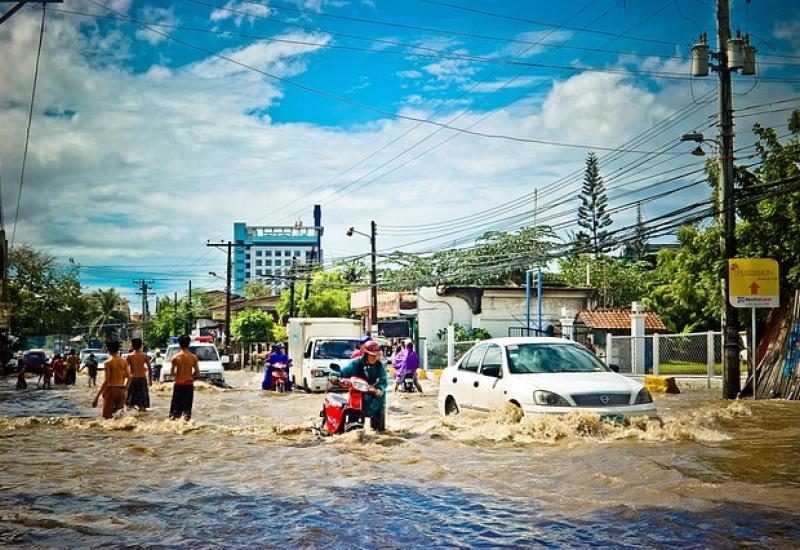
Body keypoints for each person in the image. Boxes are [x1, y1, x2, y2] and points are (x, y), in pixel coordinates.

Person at [329, 340, 387, 433]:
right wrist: (334, 375)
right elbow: (343, 372)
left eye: (376, 355)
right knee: (355, 425)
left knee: (379, 431)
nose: (375, 358)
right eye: (372, 355)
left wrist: (379, 389)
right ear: (366, 354)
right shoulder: (356, 364)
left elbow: (383, 380)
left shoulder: (379, 366)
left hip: (375, 396)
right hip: (359, 395)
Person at [92, 341, 131, 419]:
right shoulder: (124, 361)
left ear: (108, 350)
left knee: (107, 417)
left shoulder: (107, 362)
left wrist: (97, 397)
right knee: (119, 417)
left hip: (111, 390)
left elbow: (107, 381)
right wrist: (125, 389)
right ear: (118, 349)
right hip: (121, 390)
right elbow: (129, 377)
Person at [169, 334, 200, 421]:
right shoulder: (193, 358)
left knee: (174, 413)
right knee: (187, 412)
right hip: (189, 384)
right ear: (189, 344)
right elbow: (197, 373)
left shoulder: (175, 358)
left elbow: (171, 373)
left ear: (179, 344)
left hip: (179, 384)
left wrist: (177, 376)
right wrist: (191, 377)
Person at [125, 338, 152, 412]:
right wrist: (150, 380)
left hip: (133, 379)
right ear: (141, 345)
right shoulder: (144, 356)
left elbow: (125, 370)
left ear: (132, 345)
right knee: (142, 405)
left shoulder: (129, 356)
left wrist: (126, 381)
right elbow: (149, 368)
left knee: (130, 404)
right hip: (142, 379)